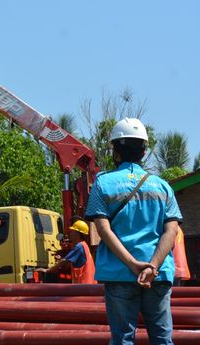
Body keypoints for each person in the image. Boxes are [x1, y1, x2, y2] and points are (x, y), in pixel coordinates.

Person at [85, 118, 182, 345]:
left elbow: (102, 228)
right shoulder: (162, 186)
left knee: (122, 340)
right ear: (144, 151)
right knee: (162, 340)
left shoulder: (103, 183)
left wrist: (131, 264)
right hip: (157, 274)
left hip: (119, 274)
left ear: (115, 150)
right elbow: (172, 229)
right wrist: (153, 266)